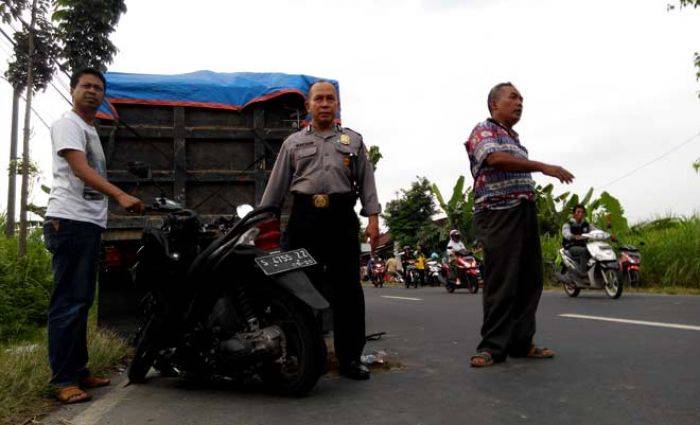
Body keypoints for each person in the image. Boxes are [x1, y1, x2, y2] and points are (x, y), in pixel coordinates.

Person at [260, 80, 380, 380]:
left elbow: (366, 181)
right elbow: (276, 186)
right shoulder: (293, 143)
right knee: (298, 289)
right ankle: (301, 354)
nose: (325, 104)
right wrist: (264, 218)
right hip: (304, 219)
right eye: (319, 99)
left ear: (336, 104)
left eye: (330, 99)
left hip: (341, 219)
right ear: (308, 106)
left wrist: (374, 218)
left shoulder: (353, 141)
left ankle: (350, 359)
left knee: (348, 291)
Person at [43, 68, 144, 403]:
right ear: (73, 90)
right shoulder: (68, 124)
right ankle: (62, 380)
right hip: (68, 221)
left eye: (98, 88)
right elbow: (80, 170)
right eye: (85, 86)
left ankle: (80, 370)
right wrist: (119, 196)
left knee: (82, 301)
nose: (92, 91)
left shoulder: (89, 128)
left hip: (86, 223)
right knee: (68, 303)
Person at [465, 82, 574, 367]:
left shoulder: (514, 139)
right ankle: (491, 347)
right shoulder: (484, 130)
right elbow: (495, 159)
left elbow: (510, 157)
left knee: (529, 280)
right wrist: (542, 167)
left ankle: (521, 342)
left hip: (523, 212)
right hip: (499, 213)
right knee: (503, 281)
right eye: (513, 97)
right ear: (494, 104)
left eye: (522, 99)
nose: (519, 102)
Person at [562, 204, 597, 274]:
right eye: (578, 212)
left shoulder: (586, 224)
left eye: (582, 212)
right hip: (571, 246)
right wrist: (574, 236)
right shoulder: (568, 224)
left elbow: (596, 231)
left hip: (584, 246)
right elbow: (566, 234)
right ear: (574, 214)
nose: (580, 214)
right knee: (584, 251)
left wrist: (609, 236)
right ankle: (583, 273)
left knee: (596, 251)